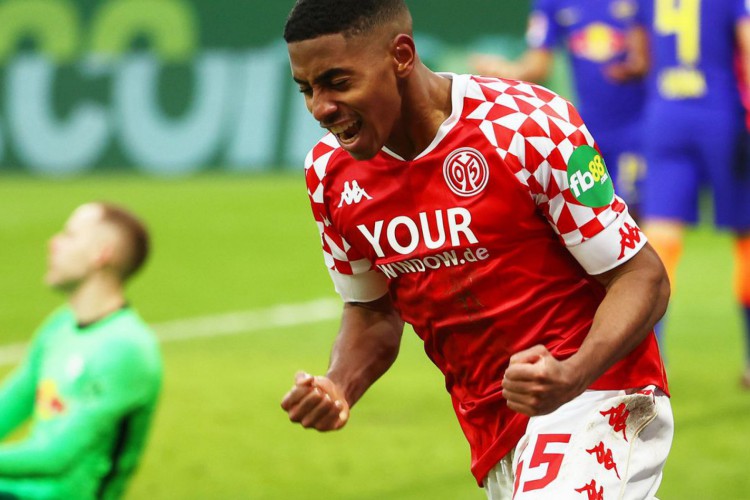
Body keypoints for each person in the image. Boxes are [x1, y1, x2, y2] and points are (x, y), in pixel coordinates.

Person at [279, 0, 672, 497]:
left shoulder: (525, 125)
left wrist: (572, 373)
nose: (320, 108)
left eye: (337, 82)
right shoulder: (328, 175)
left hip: (600, 396)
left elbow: (641, 276)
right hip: (493, 429)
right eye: (306, 89)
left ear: (401, 56)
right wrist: (339, 384)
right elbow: (372, 310)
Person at [0, 202, 162, 500]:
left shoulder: (127, 349)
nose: (54, 243)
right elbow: (18, 396)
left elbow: (56, 457)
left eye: (70, 235)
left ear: (101, 254)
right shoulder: (60, 325)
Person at [636, 0, 750, 387]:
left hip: (665, 115)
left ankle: (650, 364)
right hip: (722, 116)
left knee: (660, 241)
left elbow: (642, 57)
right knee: (746, 238)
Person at [471, 0, 649, 216]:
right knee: (592, 212)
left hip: (639, 125)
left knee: (636, 212)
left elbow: (652, 56)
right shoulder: (551, 4)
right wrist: (506, 71)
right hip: (588, 131)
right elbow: (538, 64)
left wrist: (639, 64)